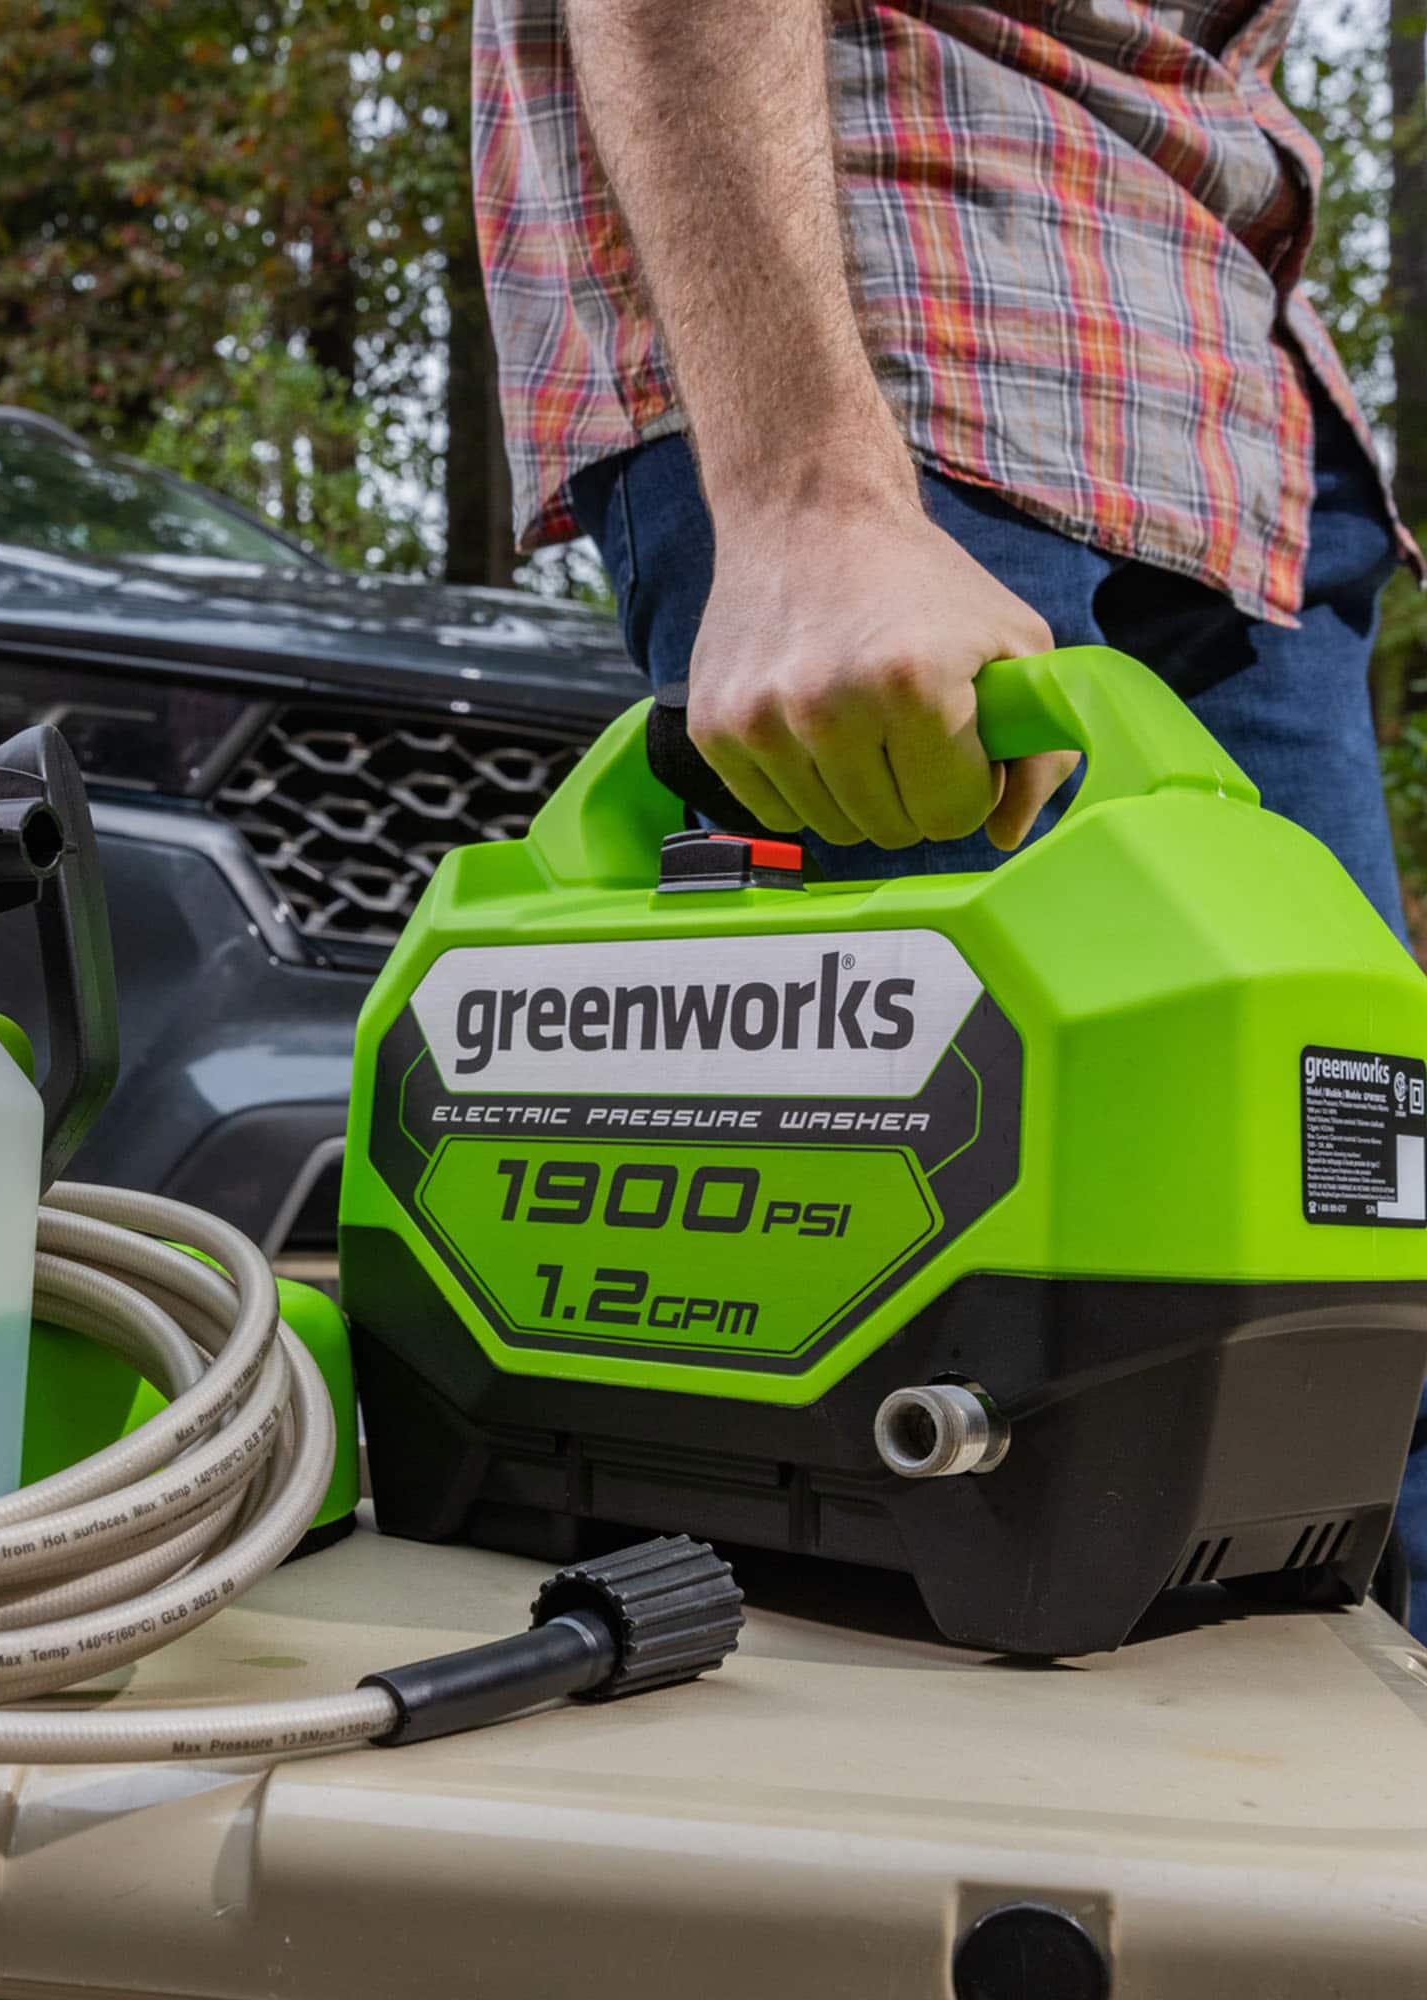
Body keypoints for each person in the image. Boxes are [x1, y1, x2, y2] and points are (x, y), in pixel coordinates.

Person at [472, 0, 1427, 1632]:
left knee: (1351, 1362)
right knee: (965, 1436)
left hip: (1247, 436)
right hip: (916, 336)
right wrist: (801, 492)